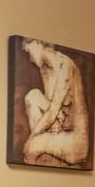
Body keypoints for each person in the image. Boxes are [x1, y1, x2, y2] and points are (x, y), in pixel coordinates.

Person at [20, 38, 90, 166]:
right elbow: (53, 112)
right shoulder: (45, 70)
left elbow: (52, 111)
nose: (30, 58)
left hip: (74, 138)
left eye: (29, 52)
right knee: (32, 96)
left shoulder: (64, 65)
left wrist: (31, 139)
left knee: (31, 148)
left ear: (37, 43)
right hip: (58, 130)